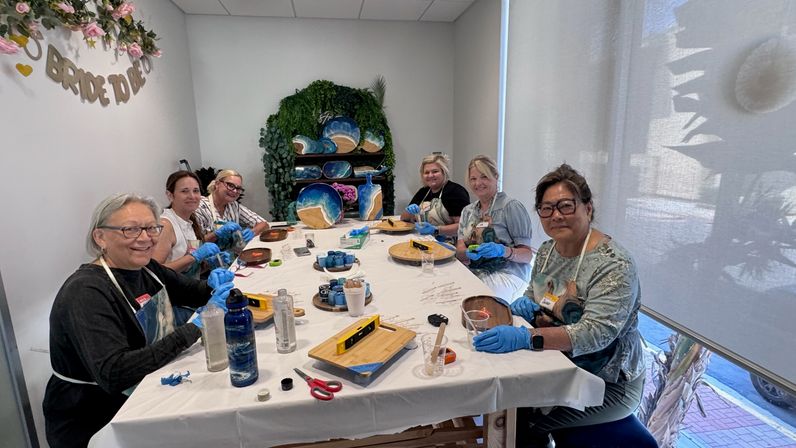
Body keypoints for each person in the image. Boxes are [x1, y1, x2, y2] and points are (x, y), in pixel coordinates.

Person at [42, 193, 236, 448]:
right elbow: (115, 372)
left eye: (151, 228)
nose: (145, 238)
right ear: (100, 237)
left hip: (145, 389)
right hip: (95, 418)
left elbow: (192, 291)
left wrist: (216, 287)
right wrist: (194, 328)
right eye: (130, 230)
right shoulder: (86, 292)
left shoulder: (146, 269)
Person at [473, 164, 645, 447]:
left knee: (520, 419)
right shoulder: (549, 249)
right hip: (557, 363)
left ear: (587, 208)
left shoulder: (613, 265)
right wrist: (525, 304)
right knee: (506, 399)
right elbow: (534, 292)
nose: (555, 215)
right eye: (546, 208)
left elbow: (594, 333)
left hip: (607, 381)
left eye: (565, 206)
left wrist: (525, 337)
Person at [456, 155, 533, 302]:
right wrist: (466, 253)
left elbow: (527, 255)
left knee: (477, 303)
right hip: (477, 271)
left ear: (496, 176)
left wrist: (503, 251)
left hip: (508, 273)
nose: (478, 183)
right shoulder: (468, 211)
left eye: (484, 177)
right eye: (473, 179)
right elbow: (459, 251)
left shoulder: (510, 207)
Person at [152, 170, 230, 276]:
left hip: (191, 286)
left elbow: (190, 270)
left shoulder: (191, 221)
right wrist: (192, 257)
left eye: (196, 191)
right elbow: (154, 272)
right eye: (184, 191)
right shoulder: (166, 224)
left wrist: (210, 264)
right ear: (170, 195)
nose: (192, 196)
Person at [400, 153, 470, 238]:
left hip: (449, 243)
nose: (430, 175)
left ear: (444, 172)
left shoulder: (456, 192)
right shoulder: (423, 192)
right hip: (425, 240)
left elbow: (463, 226)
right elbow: (403, 219)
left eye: (435, 171)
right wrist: (408, 211)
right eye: (426, 172)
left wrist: (436, 230)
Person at [195, 169, 269, 245]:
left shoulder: (233, 205)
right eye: (230, 185)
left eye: (238, 188)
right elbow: (195, 244)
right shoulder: (200, 207)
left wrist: (253, 232)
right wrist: (216, 234)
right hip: (209, 256)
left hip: (230, 254)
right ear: (217, 184)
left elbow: (264, 224)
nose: (234, 191)